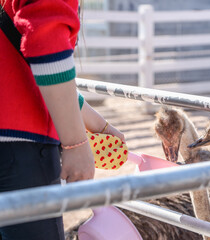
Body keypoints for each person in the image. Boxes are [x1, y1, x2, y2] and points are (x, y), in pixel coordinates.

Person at [0, 0, 125, 239]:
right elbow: (46, 44)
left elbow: (19, 55)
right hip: (19, 146)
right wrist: (75, 143)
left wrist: (94, 122)